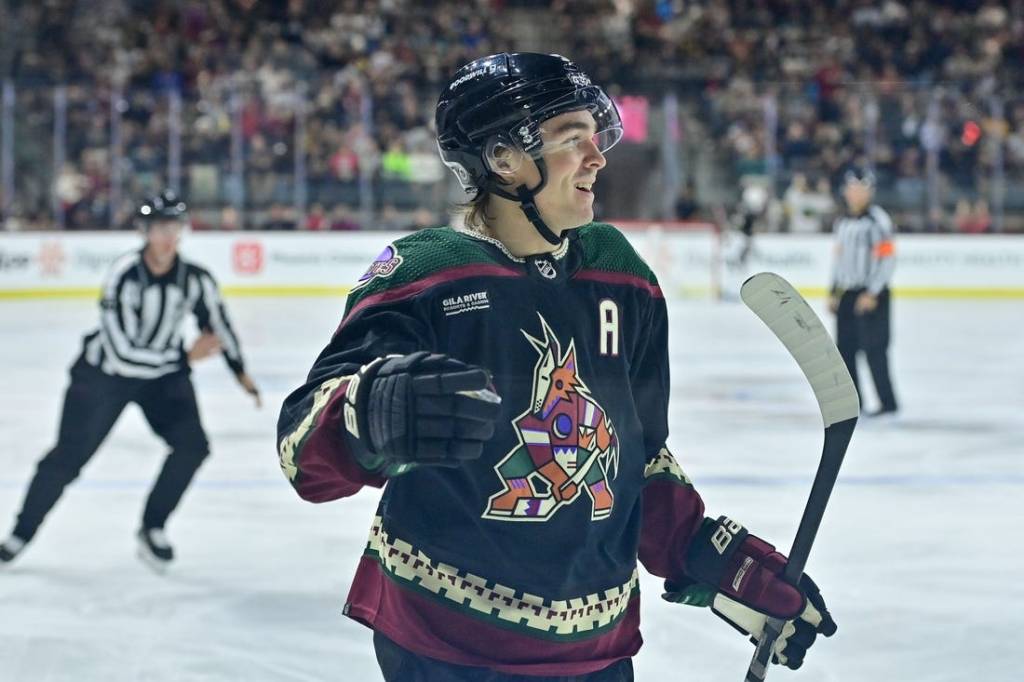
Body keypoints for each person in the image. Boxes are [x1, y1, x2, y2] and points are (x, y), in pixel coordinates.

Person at [277, 53, 836, 681]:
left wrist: (702, 553)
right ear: (503, 160)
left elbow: (635, 456)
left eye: (596, 139)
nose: (598, 157)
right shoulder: (423, 272)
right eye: (573, 140)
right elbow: (303, 454)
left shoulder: (622, 274)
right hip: (447, 649)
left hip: (597, 653)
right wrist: (365, 413)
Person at [0, 190, 261, 571]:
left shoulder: (195, 278)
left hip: (162, 379)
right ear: (143, 231)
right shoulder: (123, 276)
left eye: (173, 225)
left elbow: (217, 322)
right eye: (158, 227)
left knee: (192, 446)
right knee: (68, 458)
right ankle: (21, 533)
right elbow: (122, 353)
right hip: (103, 377)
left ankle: (152, 527)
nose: (167, 235)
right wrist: (184, 357)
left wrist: (240, 372)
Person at [828, 168, 899, 416]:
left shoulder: (878, 221)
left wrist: (872, 292)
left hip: (872, 295)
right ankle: (853, 405)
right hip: (847, 294)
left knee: (875, 351)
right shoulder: (843, 222)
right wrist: (833, 291)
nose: (855, 194)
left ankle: (888, 404)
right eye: (851, 189)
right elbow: (838, 260)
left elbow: (888, 259)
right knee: (845, 351)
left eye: (861, 189)